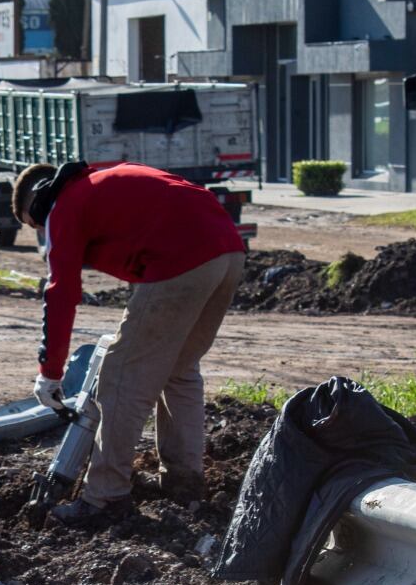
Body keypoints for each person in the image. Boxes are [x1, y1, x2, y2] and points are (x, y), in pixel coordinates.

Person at [14, 161, 246, 527]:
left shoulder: (63, 206)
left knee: (120, 377)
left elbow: (61, 293)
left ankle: (105, 498)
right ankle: (184, 481)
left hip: (181, 258)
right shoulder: (100, 181)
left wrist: (50, 373)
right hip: (228, 250)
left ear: (37, 204)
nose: (43, 234)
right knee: (179, 371)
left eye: (35, 226)